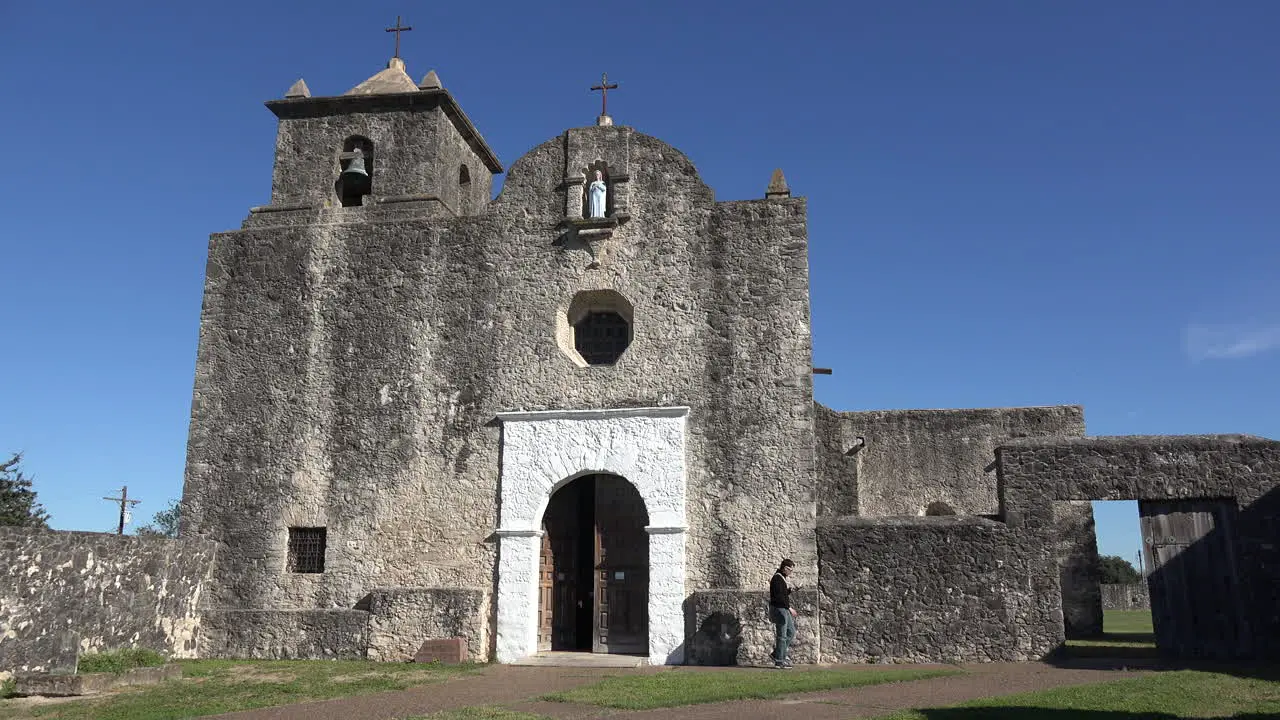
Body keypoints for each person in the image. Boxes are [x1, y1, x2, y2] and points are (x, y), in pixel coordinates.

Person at [769, 558, 797, 668]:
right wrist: (790, 608)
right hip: (780, 609)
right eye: (790, 570)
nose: (791, 572)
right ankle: (779, 661)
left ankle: (777, 653)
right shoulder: (777, 578)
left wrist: (791, 590)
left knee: (791, 632)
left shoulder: (782, 578)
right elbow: (779, 598)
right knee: (782, 635)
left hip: (783, 609)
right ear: (785, 568)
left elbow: (783, 594)